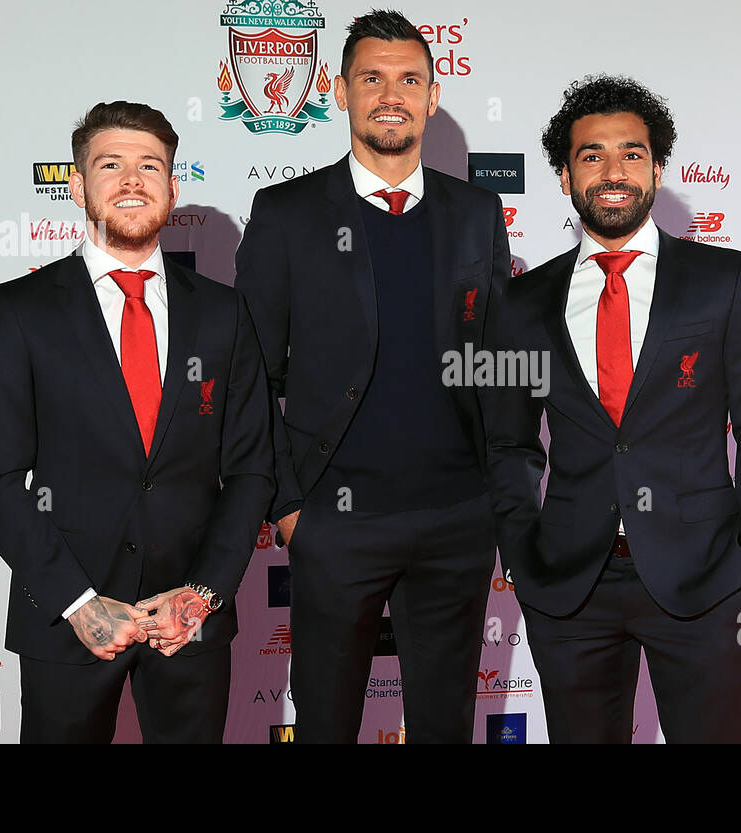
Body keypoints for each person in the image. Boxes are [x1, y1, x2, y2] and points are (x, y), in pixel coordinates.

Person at [485, 76, 741, 743]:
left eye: (631, 153)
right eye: (592, 155)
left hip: (706, 581)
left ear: (656, 168)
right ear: (565, 174)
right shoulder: (524, 300)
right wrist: (521, 555)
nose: (613, 170)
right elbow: (508, 444)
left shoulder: (726, 280)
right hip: (569, 587)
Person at [234, 9, 510, 743]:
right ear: (338, 88)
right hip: (334, 522)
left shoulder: (477, 213)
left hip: (457, 520)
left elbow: (499, 366)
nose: (392, 95)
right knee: (324, 720)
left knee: (446, 721)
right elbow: (249, 377)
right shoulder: (286, 213)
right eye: (373, 78)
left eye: (409, 79)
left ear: (432, 94)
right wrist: (291, 509)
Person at [0, 101, 274, 743]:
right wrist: (79, 604)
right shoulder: (21, 309)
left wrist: (203, 594)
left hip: (187, 623)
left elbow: (250, 471)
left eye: (149, 166)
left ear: (172, 187)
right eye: (111, 165)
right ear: (76, 185)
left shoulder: (223, 314)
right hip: (65, 616)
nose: (132, 180)